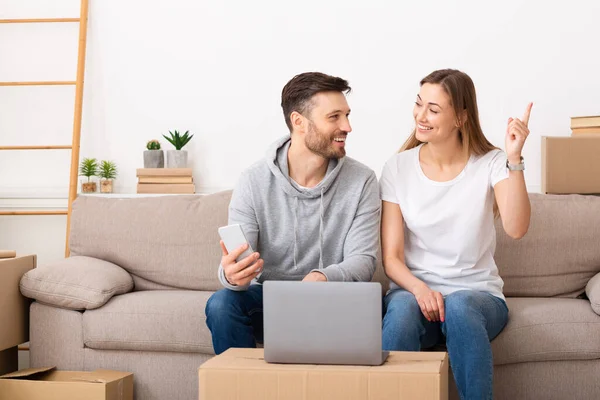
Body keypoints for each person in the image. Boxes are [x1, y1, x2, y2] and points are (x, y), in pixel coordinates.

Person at [380, 69, 531, 400]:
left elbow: (516, 228)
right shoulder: (396, 168)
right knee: (403, 311)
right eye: (419, 104)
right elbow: (391, 259)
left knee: (461, 306)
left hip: (477, 296)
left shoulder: (491, 162)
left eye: (433, 110)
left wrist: (514, 159)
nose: (421, 116)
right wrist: (421, 290)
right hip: (414, 294)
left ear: (461, 117)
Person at [205, 72, 381, 355]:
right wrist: (232, 275)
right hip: (271, 301)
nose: (347, 126)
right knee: (222, 304)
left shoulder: (362, 180)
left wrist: (320, 278)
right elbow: (237, 261)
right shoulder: (253, 181)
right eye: (334, 117)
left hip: (333, 299)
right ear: (299, 122)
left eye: (346, 115)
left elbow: (363, 261)